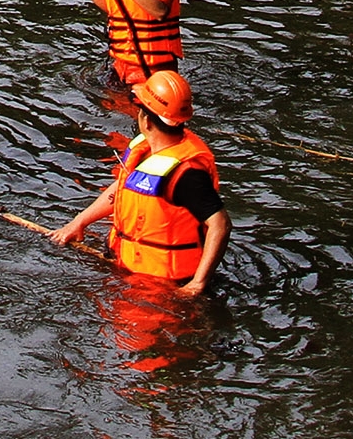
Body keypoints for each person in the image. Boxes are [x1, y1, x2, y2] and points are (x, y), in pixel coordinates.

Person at [48, 69, 229, 294]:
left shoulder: (186, 173)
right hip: (130, 270)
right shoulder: (146, 150)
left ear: (146, 119)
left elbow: (219, 224)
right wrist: (79, 222)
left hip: (165, 286)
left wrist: (197, 284)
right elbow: (125, 189)